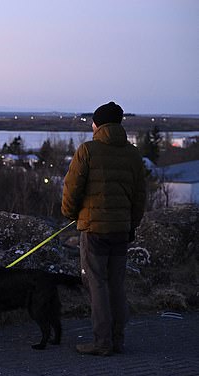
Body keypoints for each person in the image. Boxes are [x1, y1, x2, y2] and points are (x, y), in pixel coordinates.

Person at [61, 101, 146, 356]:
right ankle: (117, 339)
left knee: (96, 284)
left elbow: (71, 189)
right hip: (121, 231)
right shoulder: (133, 154)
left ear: (97, 125)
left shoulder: (87, 150)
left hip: (94, 231)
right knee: (116, 285)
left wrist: (70, 214)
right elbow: (140, 197)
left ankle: (102, 343)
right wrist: (132, 224)